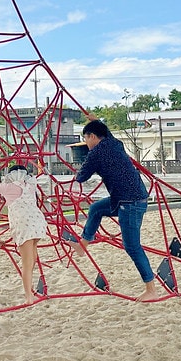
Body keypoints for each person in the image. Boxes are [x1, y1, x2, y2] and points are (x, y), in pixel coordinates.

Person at [66, 119, 162, 302]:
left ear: (93, 137)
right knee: (95, 209)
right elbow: (104, 130)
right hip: (126, 198)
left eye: (85, 138)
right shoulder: (114, 142)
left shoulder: (96, 153)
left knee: (132, 246)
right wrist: (94, 119)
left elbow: (82, 177)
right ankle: (82, 245)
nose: (85, 143)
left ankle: (151, 289)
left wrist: (76, 174)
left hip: (130, 202)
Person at [0, 164, 48, 304]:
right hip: (38, 223)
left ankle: (28, 296)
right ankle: (31, 288)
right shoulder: (30, 186)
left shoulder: (10, 188)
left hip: (25, 226)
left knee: (27, 263)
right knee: (32, 258)